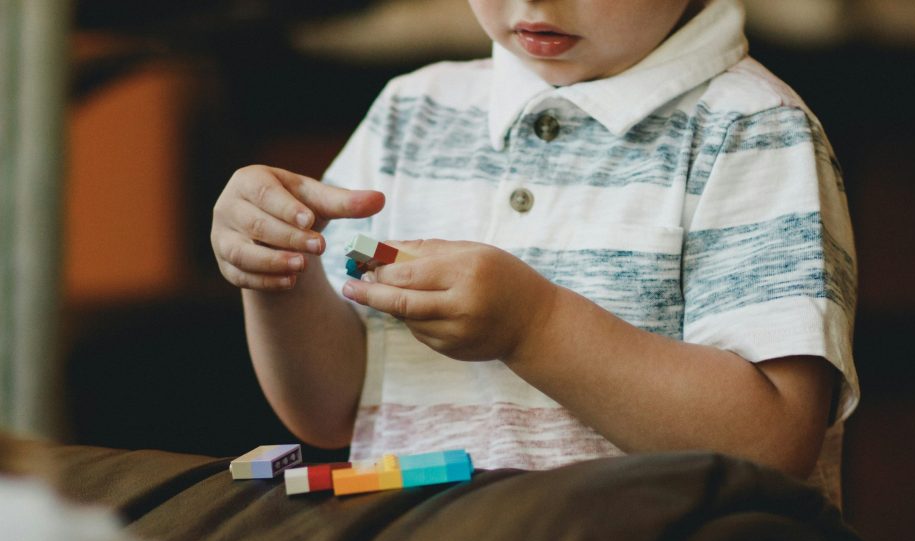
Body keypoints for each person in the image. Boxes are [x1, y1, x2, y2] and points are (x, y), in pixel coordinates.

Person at [210, 0, 858, 504]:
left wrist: (535, 325)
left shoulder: (752, 130)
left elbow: (772, 442)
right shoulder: (412, 112)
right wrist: (279, 272)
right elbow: (332, 410)